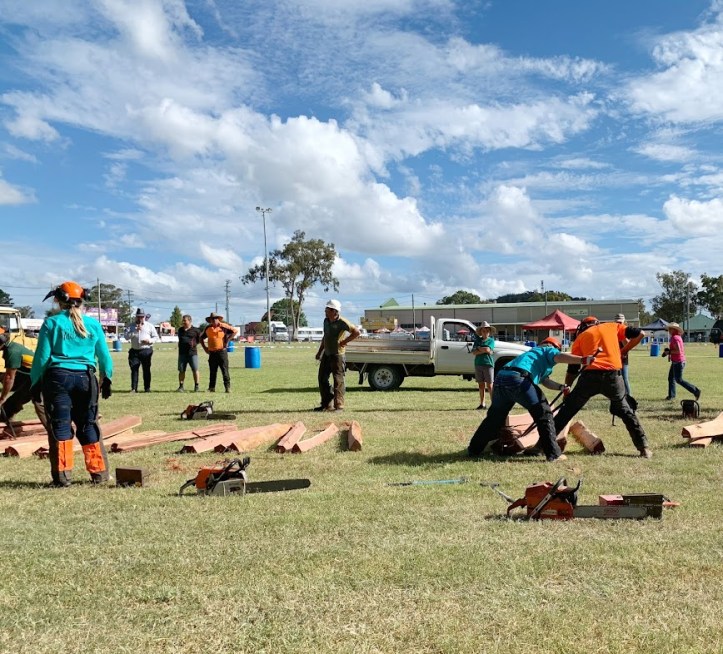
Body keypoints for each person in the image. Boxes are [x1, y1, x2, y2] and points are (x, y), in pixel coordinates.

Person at [29, 281, 113, 487]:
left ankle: (62, 477)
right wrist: (107, 378)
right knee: (88, 424)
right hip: (86, 378)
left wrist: (35, 382)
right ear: (82, 300)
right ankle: (99, 474)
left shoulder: (52, 323)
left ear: (58, 300)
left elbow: (42, 357)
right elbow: (104, 356)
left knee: (60, 425)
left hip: (57, 378)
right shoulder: (93, 324)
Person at [467, 337, 595, 462]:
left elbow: (545, 381)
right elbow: (560, 356)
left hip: (501, 379)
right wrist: (583, 360)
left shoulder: (532, 355)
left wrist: (561, 387)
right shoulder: (547, 349)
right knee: (544, 414)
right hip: (518, 379)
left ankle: (474, 449)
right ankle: (553, 454)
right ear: (554, 347)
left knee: (493, 418)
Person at [553, 316, 653, 458]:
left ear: (583, 326)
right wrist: (623, 351)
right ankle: (644, 448)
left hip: (589, 377)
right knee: (626, 411)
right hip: (613, 377)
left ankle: (543, 444)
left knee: (568, 410)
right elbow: (641, 334)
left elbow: (573, 369)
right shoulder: (613, 326)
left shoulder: (581, 337)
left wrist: (567, 391)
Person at [314, 299, 360, 412]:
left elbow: (356, 332)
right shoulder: (326, 321)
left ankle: (339, 406)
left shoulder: (343, 322)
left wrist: (344, 342)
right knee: (322, 378)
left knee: (338, 380)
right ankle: (326, 403)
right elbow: (325, 337)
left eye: (327, 309)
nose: (325, 311)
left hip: (337, 355)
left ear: (334, 311)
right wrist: (319, 352)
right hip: (327, 353)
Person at [0, 333, 38, 421]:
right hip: (33, 375)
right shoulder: (12, 346)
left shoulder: (12, 351)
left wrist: (2, 398)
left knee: (12, 404)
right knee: (11, 404)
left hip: (40, 376)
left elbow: (9, 377)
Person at [200, 312, 237, 393]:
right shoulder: (208, 328)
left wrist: (228, 340)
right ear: (210, 320)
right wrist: (205, 348)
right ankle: (211, 388)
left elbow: (235, 331)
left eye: (215, 318)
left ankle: (227, 388)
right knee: (212, 371)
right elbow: (201, 338)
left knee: (225, 370)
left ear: (218, 319)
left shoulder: (224, 326)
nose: (214, 320)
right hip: (212, 353)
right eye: (212, 319)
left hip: (222, 352)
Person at [665, 322, 701, 401]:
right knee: (671, 378)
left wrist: (669, 352)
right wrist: (669, 351)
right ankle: (671, 396)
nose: (669, 330)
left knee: (679, 380)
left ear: (674, 330)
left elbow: (678, 351)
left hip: (678, 362)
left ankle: (695, 391)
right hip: (677, 361)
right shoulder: (677, 337)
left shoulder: (675, 338)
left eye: (670, 329)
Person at [128, 308, 159, 392]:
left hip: (146, 350)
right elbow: (126, 336)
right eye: (138, 317)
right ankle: (134, 388)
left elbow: (156, 337)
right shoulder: (131, 326)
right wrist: (135, 331)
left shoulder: (150, 326)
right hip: (134, 350)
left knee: (146, 369)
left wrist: (149, 341)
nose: (140, 318)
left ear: (144, 317)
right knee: (134, 369)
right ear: (136, 317)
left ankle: (147, 388)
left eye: (141, 317)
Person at [471, 322, 495, 410]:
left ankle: (494, 404)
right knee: (481, 384)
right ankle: (482, 404)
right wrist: (484, 350)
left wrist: (479, 348)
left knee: (490, 385)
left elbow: (488, 349)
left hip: (488, 364)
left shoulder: (491, 340)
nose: (485, 333)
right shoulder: (477, 341)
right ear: (481, 332)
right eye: (483, 331)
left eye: (487, 331)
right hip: (478, 364)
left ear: (489, 332)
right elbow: (474, 352)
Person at [177, 314, 202, 392]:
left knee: (195, 369)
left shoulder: (196, 330)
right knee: (181, 370)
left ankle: (196, 386)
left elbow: (200, 339)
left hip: (192, 353)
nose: (183, 322)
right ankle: (181, 386)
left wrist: (194, 344)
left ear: (190, 321)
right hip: (182, 353)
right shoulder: (180, 330)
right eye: (183, 320)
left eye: (185, 320)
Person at [614, 313, 632, 396]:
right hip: (614, 358)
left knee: (624, 378)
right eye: (617, 322)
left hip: (623, 359)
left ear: (624, 322)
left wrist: (621, 335)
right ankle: (618, 395)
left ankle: (628, 396)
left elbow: (628, 345)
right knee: (615, 378)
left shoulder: (627, 331)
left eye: (620, 322)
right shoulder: (612, 331)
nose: (619, 324)